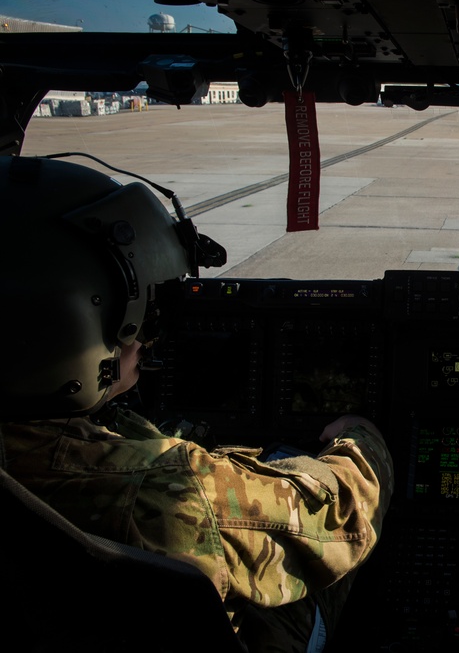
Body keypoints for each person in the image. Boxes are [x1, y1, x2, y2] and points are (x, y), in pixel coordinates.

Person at [0, 156, 393, 652]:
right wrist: (363, 439)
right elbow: (340, 517)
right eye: (140, 321)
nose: (147, 337)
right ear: (77, 327)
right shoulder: (175, 488)